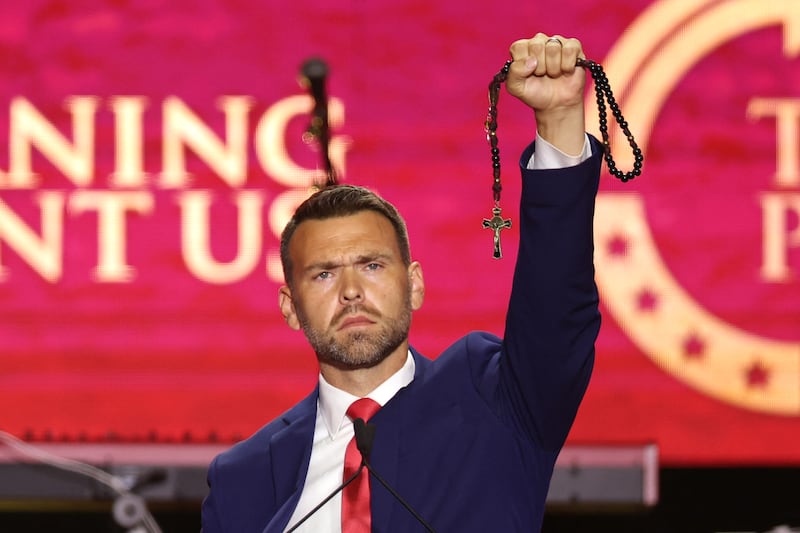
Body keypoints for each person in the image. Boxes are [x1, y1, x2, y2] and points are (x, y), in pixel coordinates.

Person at [201, 32, 602, 533]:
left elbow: (556, 307)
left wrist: (560, 119)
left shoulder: (494, 400)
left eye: (372, 265)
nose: (350, 290)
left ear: (414, 285)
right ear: (290, 306)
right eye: (324, 274)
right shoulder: (244, 476)